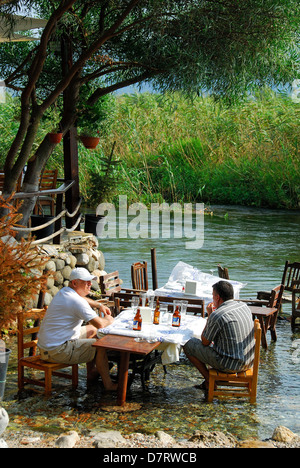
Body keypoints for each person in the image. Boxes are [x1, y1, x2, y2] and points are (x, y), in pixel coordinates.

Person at [38, 267, 117, 391]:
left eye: (90, 281)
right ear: (75, 283)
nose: (90, 284)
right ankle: (109, 385)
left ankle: (91, 372)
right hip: (57, 351)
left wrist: (98, 304)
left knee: (92, 330)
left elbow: (81, 299)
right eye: (86, 282)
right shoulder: (76, 302)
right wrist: (110, 320)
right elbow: (101, 324)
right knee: (100, 344)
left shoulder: (64, 291)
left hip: (47, 347)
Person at [183, 280, 255, 389]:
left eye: (213, 296)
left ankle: (210, 382)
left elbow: (205, 342)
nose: (212, 298)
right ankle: (209, 382)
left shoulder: (217, 315)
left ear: (217, 297)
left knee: (188, 345)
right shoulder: (244, 306)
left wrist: (210, 316)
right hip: (249, 361)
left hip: (229, 365)